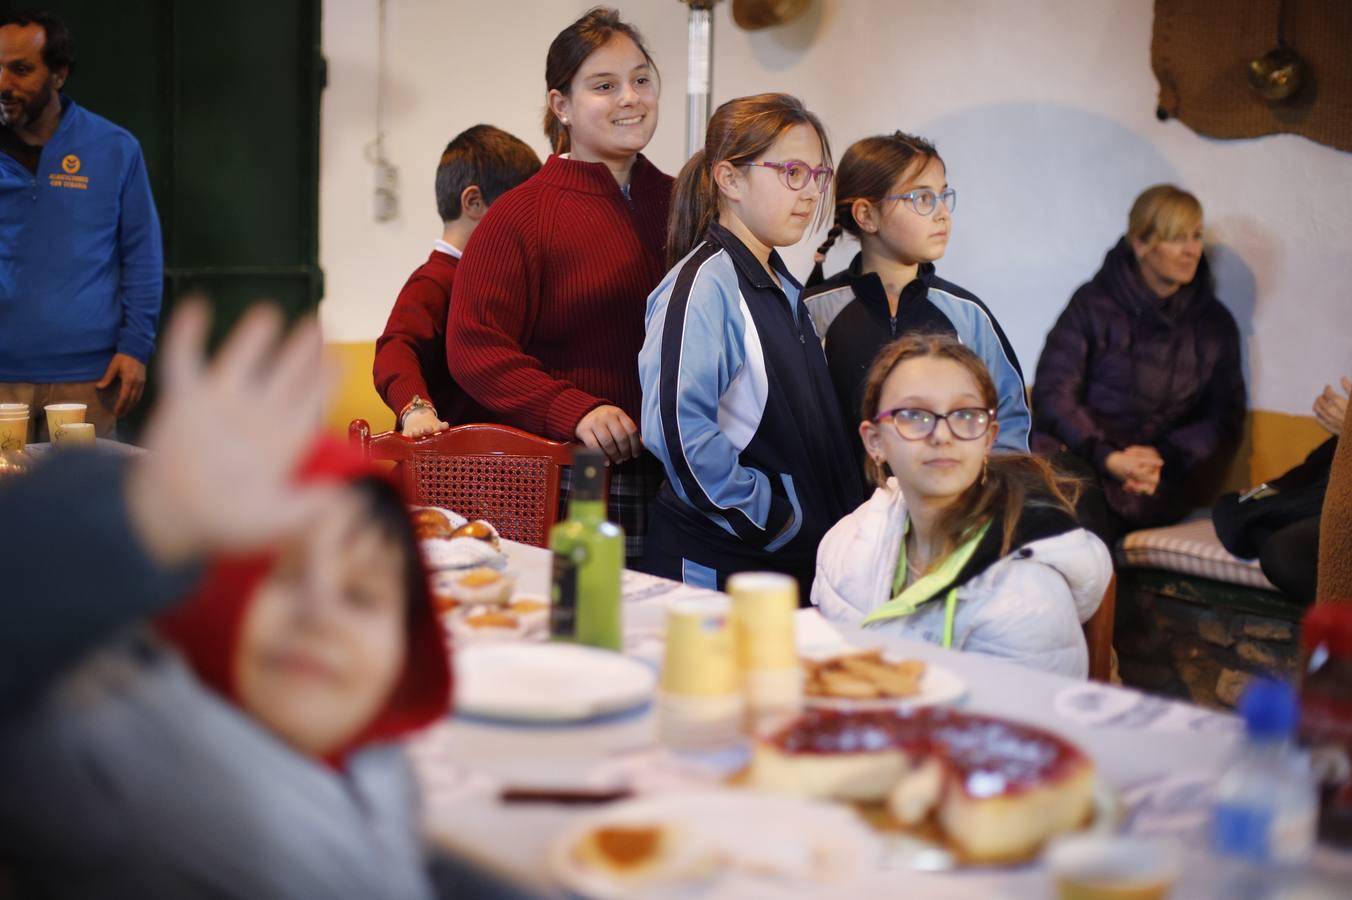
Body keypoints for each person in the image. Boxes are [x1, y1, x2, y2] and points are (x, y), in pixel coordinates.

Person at [0, 302, 452, 899]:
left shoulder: (379, 761)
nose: (319, 614)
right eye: (282, 575)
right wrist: (149, 515)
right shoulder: (122, 763)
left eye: (362, 595)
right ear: (217, 596)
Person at [446, 7, 670, 564]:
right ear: (561, 105)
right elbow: (475, 348)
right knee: (581, 635)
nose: (630, 98)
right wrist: (575, 410)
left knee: (666, 640)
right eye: (604, 86)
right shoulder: (520, 214)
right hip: (578, 477)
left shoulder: (684, 201)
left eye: (641, 79)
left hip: (680, 475)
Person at [639, 93, 864, 600]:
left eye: (817, 175)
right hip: (719, 570)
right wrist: (778, 518)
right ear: (730, 179)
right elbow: (679, 434)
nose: (808, 192)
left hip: (785, 568)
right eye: (791, 171)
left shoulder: (783, 286)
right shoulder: (702, 286)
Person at [813, 334, 1110, 677]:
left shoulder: (1025, 591)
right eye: (914, 414)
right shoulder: (843, 545)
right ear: (874, 441)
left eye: (965, 414)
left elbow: (1017, 727)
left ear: (988, 438)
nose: (942, 435)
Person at [1032, 184, 1245, 542]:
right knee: (1062, 504)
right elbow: (1054, 394)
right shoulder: (1092, 304)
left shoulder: (1214, 324)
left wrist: (1162, 458)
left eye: (1196, 236)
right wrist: (1108, 457)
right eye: (1177, 238)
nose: (1192, 250)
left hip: (1157, 477)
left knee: (1086, 522)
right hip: (1083, 458)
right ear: (1142, 244)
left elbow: (1222, 419)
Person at [803, 132, 1029, 455]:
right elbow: (793, 427)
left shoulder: (968, 315)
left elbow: (1008, 423)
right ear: (866, 215)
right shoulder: (812, 312)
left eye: (942, 195)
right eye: (922, 199)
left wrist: (981, 501)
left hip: (951, 505)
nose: (942, 214)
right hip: (840, 507)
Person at [0, 9, 163, 439]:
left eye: (20, 69)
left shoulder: (114, 149)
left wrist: (135, 348)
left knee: (75, 506)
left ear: (58, 75)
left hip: (88, 381)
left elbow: (142, 256)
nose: (3, 83)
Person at [373, 124, 541, 437]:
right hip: (442, 474)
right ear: (474, 202)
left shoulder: (500, 284)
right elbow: (396, 348)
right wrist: (416, 408)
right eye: (518, 212)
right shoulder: (433, 282)